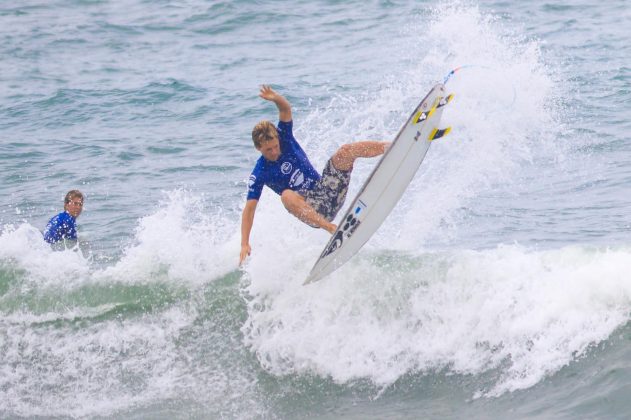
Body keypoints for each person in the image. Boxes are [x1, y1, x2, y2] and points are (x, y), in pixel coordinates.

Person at [240, 85, 389, 264]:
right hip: (313, 212)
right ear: (258, 149)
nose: (273, 152)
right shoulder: (260, 172)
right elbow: (249, 209)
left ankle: (391, 146)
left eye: (275, 146)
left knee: (344, 151)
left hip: (328, 190)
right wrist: (244, 243)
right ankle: (332, 229)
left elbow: (285, 109)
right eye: (267, 150)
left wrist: (276, 98)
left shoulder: (284, 136)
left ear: (278, 139)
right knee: (286, 196)